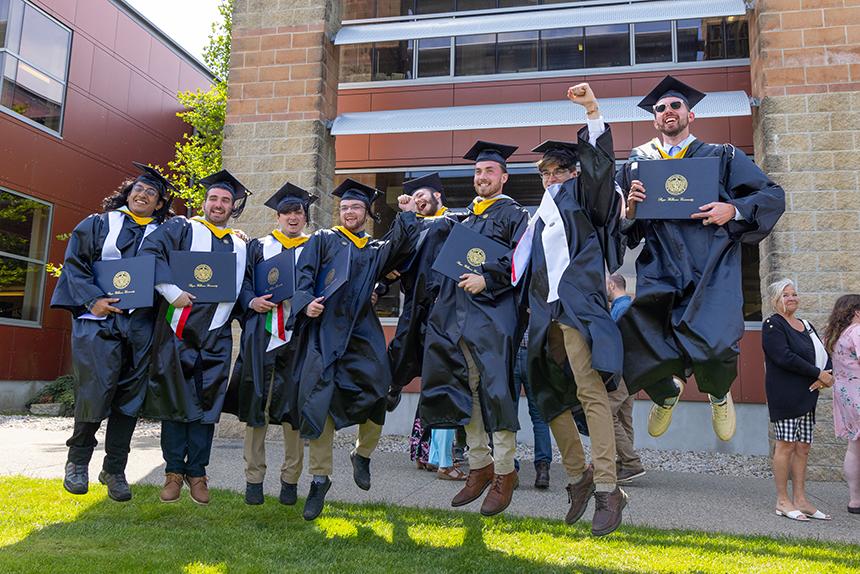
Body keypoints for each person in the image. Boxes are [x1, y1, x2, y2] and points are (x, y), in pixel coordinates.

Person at [617, 75, 785, 442]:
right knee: (632, 324)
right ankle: (666, 393)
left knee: (718, 342)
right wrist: (628, 209)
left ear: (690, 115)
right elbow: (620, 225)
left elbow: (772, 195)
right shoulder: (636, 164)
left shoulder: (722, 156)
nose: (667, 112)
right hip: (659, 264)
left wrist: (734, 209)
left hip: (711, 265)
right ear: (654, 118)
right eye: (660, 108)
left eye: (675, 105)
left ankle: (719, 394)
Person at [513, 83, 627, 536]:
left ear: (574, 172)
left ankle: (607, 488)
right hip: (543, 314)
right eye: (545, 171)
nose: (551, 177)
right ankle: (577, 476)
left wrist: (592, 111)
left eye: (560, 169)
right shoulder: (536, 216)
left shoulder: (583, 200)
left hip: (578, 307)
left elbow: (600, 172)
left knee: (589, 392)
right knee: (545, 394)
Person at [290, 178, 419, 520]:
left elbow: (401, 245)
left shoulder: (374, 250)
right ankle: (320, 479)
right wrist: (305, 304)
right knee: (321, 403)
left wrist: (406, 214)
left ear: (367, 213)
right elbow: (303, 275)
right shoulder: (322, 239)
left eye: (356, 207)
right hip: (326, 331)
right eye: (345, 207)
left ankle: (362, 454)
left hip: (363, 333)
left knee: (379, 391)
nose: (349, 212)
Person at [419, 140, 529, 517]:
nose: (482, 177)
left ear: (504, 176)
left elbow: (522, 262)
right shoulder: (463, 218)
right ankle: (479, 465)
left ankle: (504, 472)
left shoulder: (515, 215)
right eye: (478, 172)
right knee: (466, 388)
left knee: (496, 390)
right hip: (457, 316)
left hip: (494, 315)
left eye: (489, 171)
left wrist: (489, 280)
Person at [51, 163, 173, 501]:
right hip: (100, 321)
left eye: (152, 193)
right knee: (94, 391)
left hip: (141, 324)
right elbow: (75, 265)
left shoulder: (165, 233)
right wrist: (93, 301)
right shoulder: (97, 224)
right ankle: (77, 463)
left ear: (159, 204)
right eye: (139, 189)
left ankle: (115, 468)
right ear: (128, 192)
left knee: (130, 401)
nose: (143, 194)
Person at [139, 169, 250, 506]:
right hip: (178, 329)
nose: (219, 204)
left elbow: (243, 286)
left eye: (226, 200)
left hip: (216, 334)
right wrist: (171, 291)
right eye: (214, 198)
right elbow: (149, 253)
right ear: (204, 202)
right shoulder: (182, 228)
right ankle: (173, 472)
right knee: (175, 402)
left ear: (234, 207)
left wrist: (252, 304)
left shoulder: (241, 243)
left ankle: (198, 473)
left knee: (207, 406)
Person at [223, 182, 317, 507]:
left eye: (299, 212)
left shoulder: (315, 247)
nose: (293, 217)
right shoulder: (259, 246)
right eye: (288, 212)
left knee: (293, 407)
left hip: (298, 335)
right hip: (262, 334)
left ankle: (290, 480)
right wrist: (251, 302)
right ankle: (254, 479)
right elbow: (243, 282)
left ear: (305, 217)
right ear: (277, 216)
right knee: (256, 405)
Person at [378, 173, 462, 478]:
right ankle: (427, 451)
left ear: (438, 195)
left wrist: (411, 216)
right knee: (429, 377)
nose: (419, 200)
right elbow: (392, 255)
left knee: (439, 382)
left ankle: (434, 453)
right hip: (416, 309)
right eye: (415, 197)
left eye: (424, 195)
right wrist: (404, 216)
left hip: (445, 310)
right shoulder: (411, 224)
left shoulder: (452, 220)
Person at [762, 279, 833, 521]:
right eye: (786, 295)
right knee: (786, 445)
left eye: (794, 294)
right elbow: (784, 357)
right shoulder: (773, 324)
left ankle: (801, 500)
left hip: (808, 395)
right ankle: (783, 501)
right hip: (785, 394)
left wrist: (826, 376)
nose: (791, 298)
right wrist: (817, 374)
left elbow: (822, 354)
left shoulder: (806, 325)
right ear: (775, 300)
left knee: (803, 447)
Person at [605, 273, 645, 484]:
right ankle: (625, 466)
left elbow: (615, 344)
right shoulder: (629, 307)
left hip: (622, 372)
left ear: (612, 285)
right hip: (633, 373)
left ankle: (631, 463)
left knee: (606, 413)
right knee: (624, 418)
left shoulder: (620, 309)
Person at [823, 294, 860, 515]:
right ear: (856, 312)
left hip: (847, 398)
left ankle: (855, 500)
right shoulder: (857, 331)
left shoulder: (835, 335)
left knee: (854, 447)